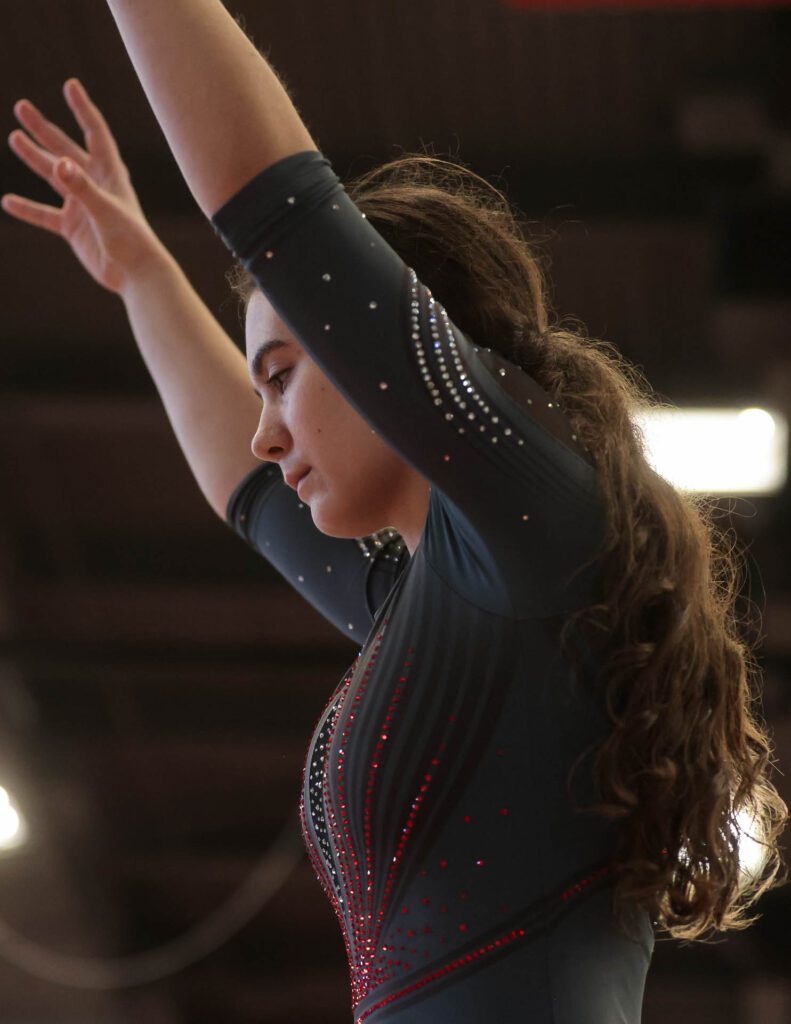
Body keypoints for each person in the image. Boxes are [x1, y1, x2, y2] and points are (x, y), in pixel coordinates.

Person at [3, 6, 786, 1018]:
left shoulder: (536, 529)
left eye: (283, 377)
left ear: (380, 350)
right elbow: (243, 495)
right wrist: (145, 275)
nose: (265, 433)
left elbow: (278, 207)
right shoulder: (438, 601)